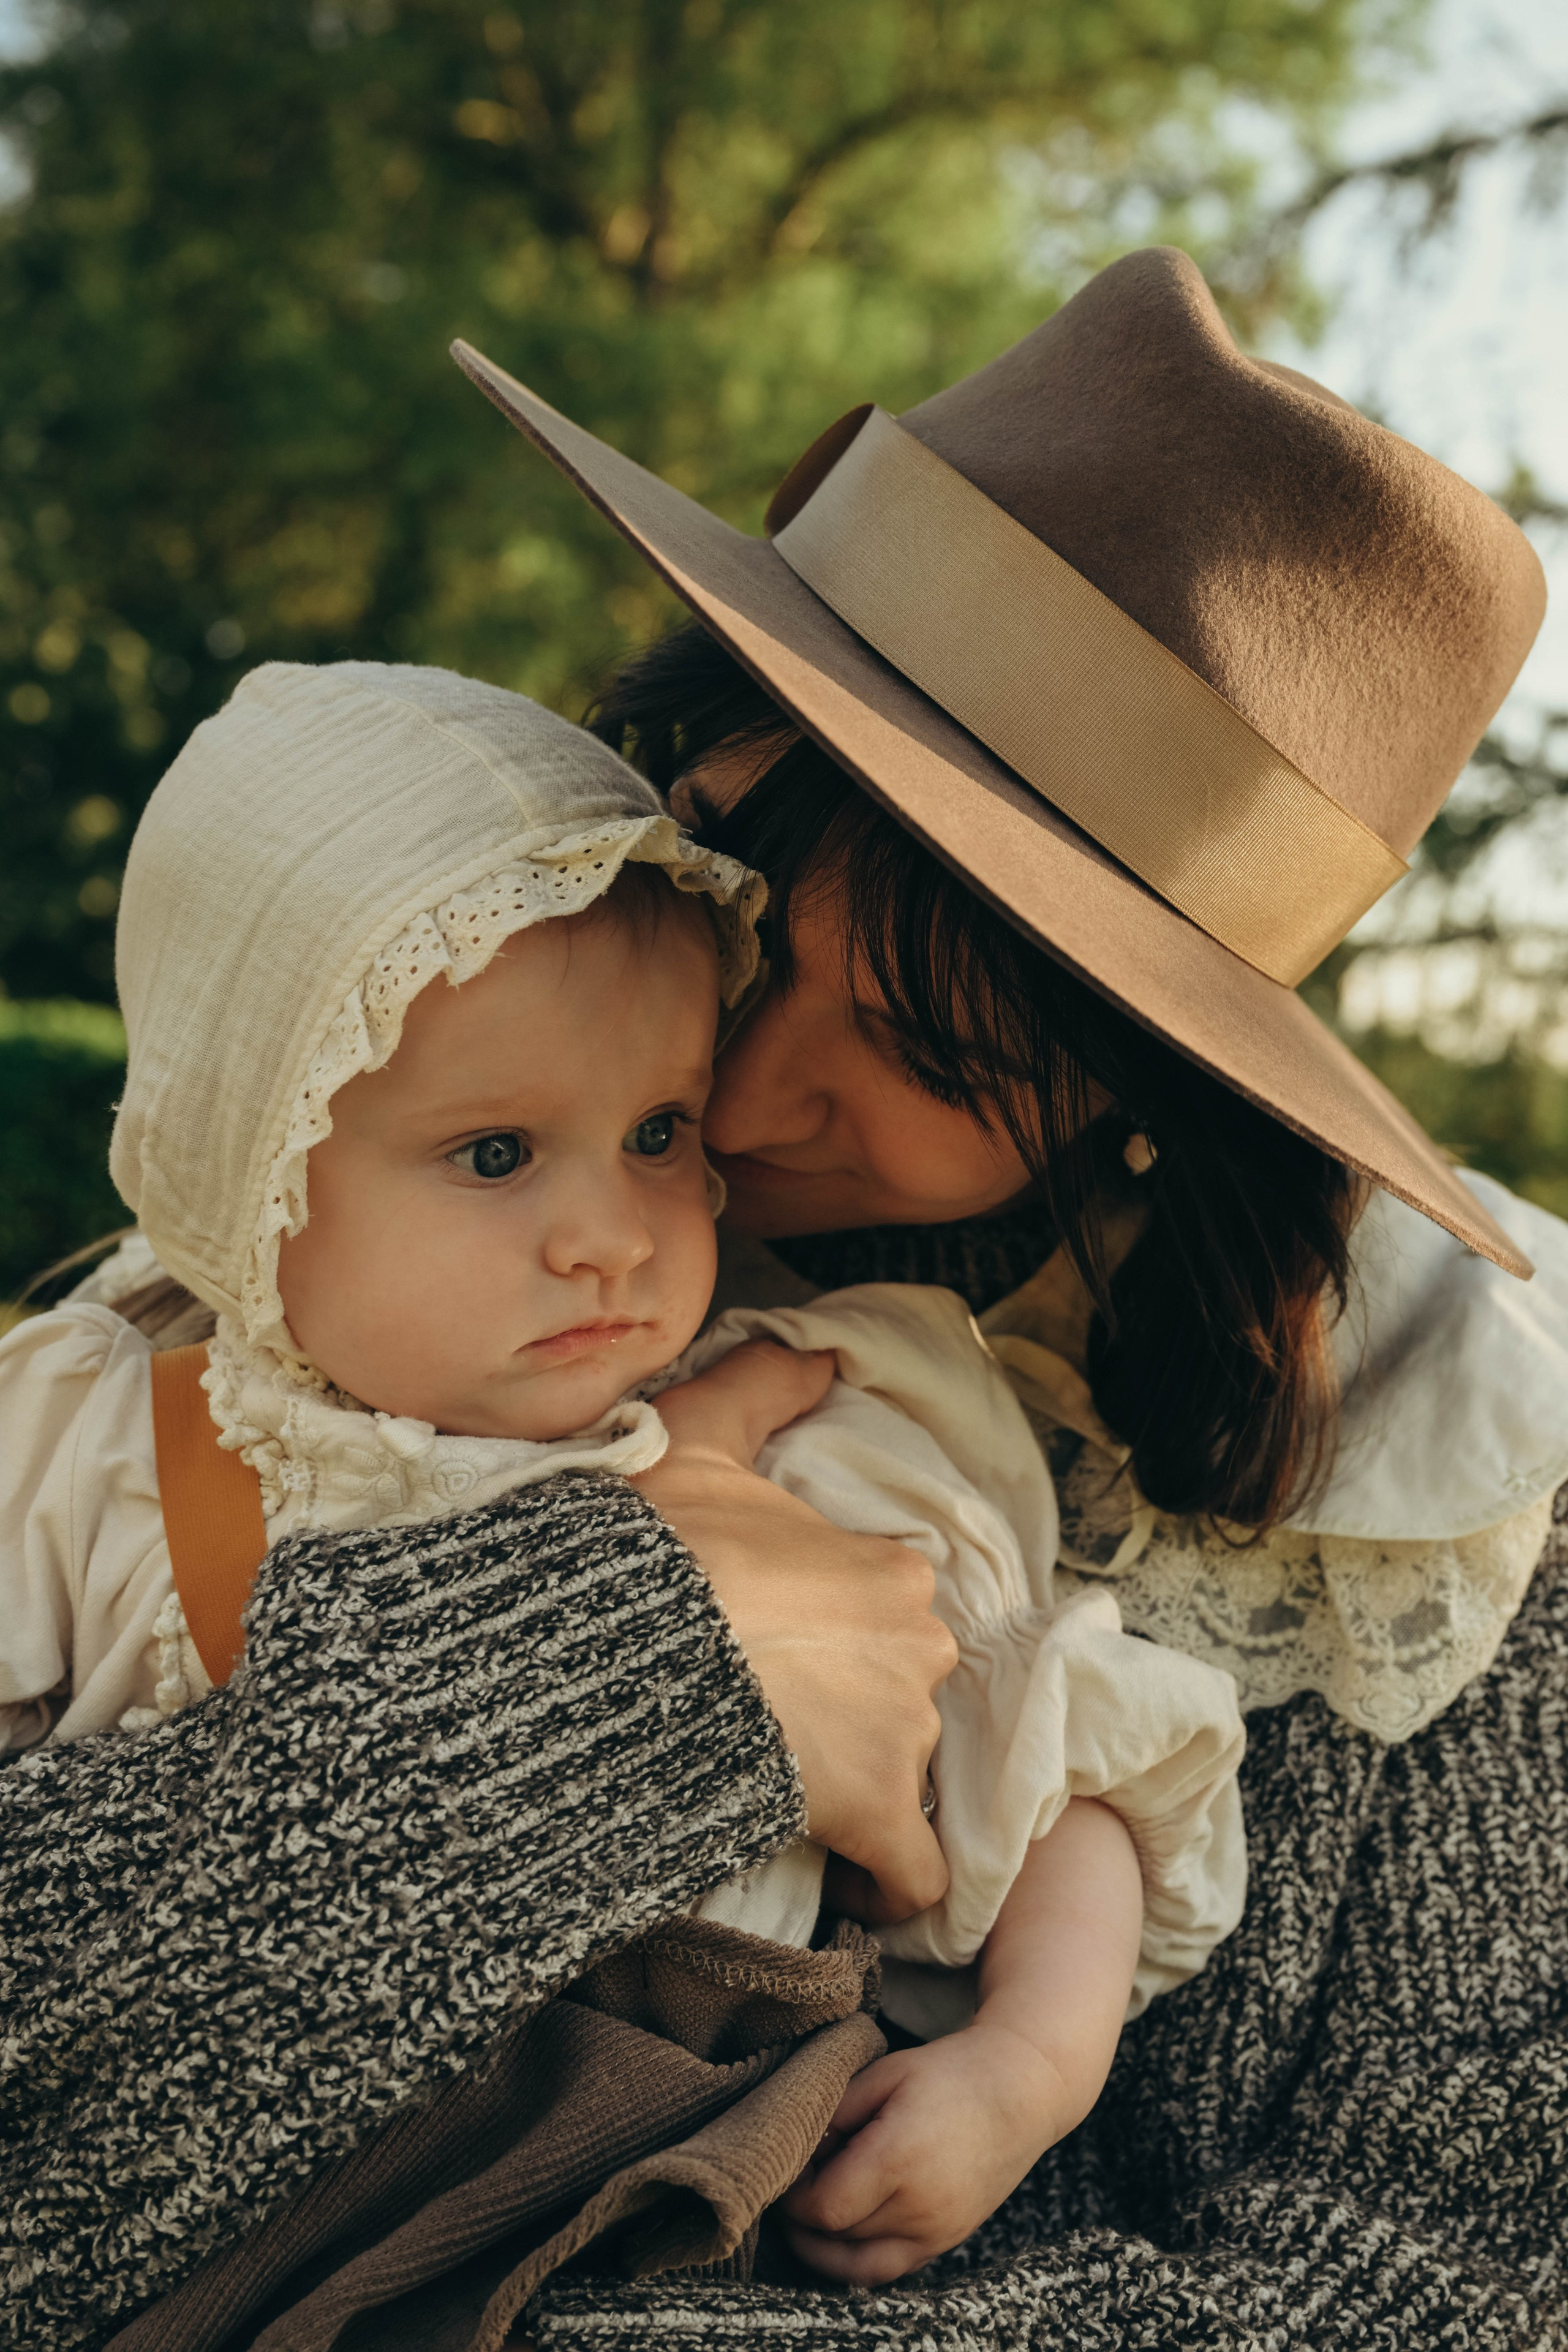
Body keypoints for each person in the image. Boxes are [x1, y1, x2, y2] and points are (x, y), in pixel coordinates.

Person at [6, 244, 1568, 2348]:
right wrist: (614, 1679)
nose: (730, 1081)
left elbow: (1436, 2283)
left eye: (931, 1058)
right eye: (727, 867)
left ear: (1140, 1116)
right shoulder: (307, 1245)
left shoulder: (1454, 1525)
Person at [0, 657, 1245, 2310]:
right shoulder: (100, 1440)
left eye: (657, 1134)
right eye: (498, 1155)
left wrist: (1030, 2060)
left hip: (667, 2187)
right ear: (251, 1164)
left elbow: (1063, 1751)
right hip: (213, 2209)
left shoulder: (803, 1416)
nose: (613, 1231)